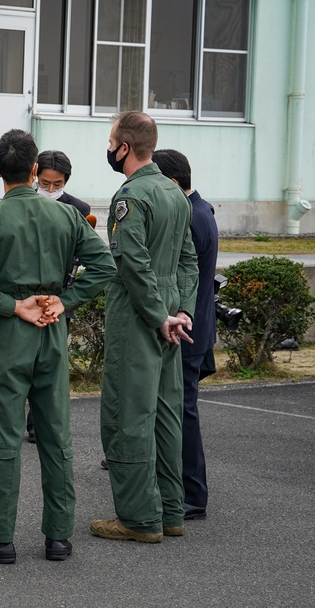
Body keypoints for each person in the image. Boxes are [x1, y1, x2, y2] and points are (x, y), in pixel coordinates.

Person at [0, 130, 115, 564]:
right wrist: (66, 298)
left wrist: (10, 305)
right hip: (53, 330)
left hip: (12, 332)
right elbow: (104, 265)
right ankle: (59, 537)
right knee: (56, 435)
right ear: (36, 170)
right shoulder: (66, 216)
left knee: (5, 435)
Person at [91, 111, 198, 544]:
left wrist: (157, 316)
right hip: (172, 318)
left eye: (111, 140)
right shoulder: (176, 195)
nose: (109, 148)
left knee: (127, 416)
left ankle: (138, 518)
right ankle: (171, 511)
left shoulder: (131, 197)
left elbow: (132, 264)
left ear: (125, 146)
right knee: (166, 416)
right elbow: (189, 261)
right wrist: (182, 312)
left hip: (141, 319)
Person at [152, 148, 217, 522]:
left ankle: (192, 495)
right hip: (197, 327)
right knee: (180, 411)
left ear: (173, 183)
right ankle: (184, 489)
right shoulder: (201, 209)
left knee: (182, 414)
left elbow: (182, 275)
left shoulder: (190, 217)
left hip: (187, 329)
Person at [14, 148, 94, 444]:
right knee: (13, 364)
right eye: (45, 183)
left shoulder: (77, 208)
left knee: (49, 368)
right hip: (22, 297)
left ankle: (38, 425)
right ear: (34, 176)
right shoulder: (23, 203)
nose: (49, 190)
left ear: (65, 181)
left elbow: (89, 256)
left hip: (58, 300)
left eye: (56, 185)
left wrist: (66, 297)